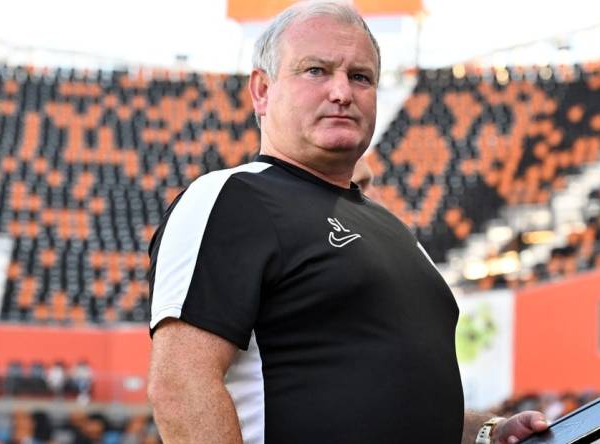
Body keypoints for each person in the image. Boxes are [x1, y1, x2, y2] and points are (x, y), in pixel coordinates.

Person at [147, 2, 548, 443]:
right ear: (262, 90)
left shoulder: (391, 225)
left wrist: (487, 432)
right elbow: (180, 385)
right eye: (316, 71)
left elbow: (404, 400)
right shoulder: (233, 197)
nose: (342, 92)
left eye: (361, 77)